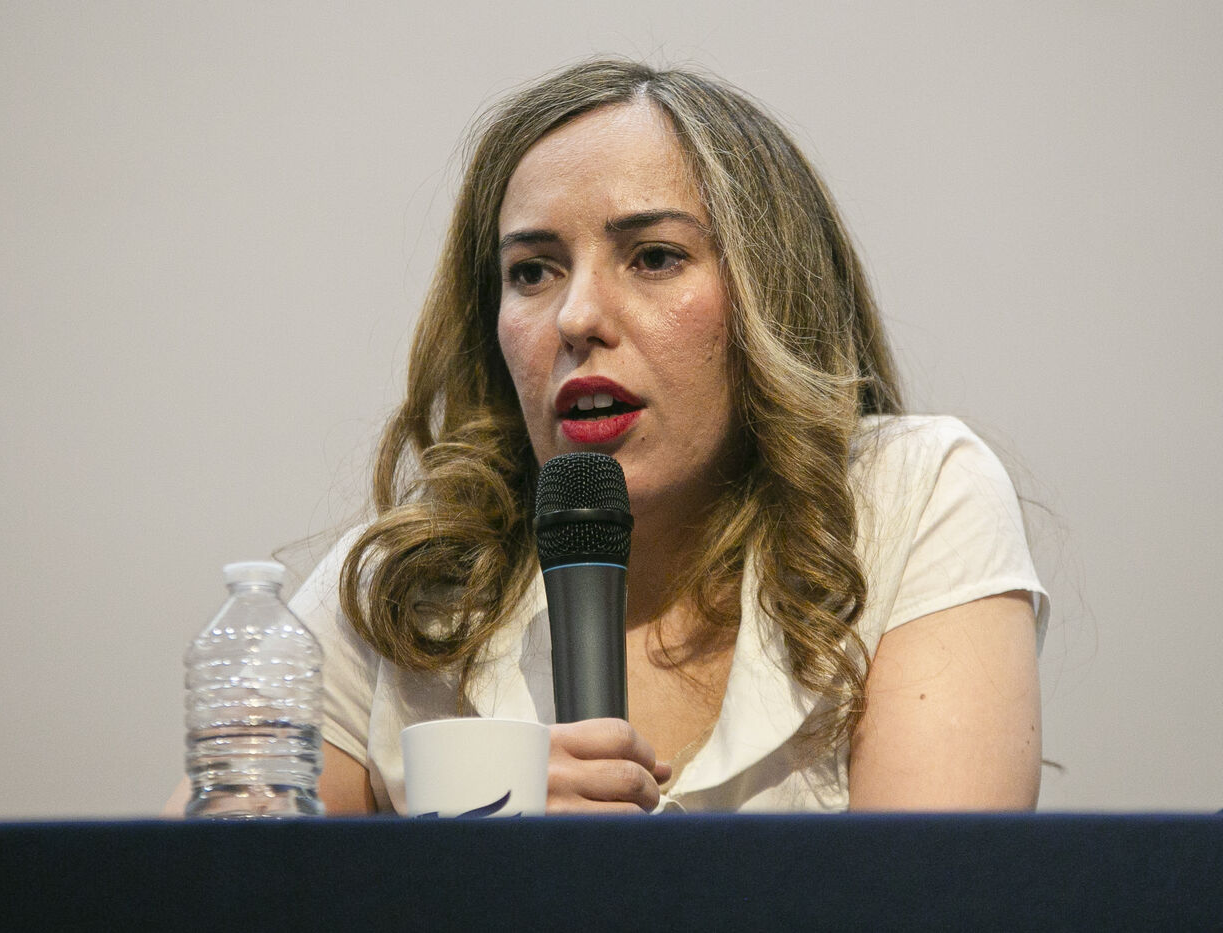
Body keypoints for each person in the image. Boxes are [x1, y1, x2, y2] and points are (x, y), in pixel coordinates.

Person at [170, 58, 1046, 816]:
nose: (577, 316)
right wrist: (468, 855)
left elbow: (932, 898)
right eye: (532, 271)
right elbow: (191, 890)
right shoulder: (406, 580)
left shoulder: (909, 496)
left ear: (772, 297)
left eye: (654, 257)